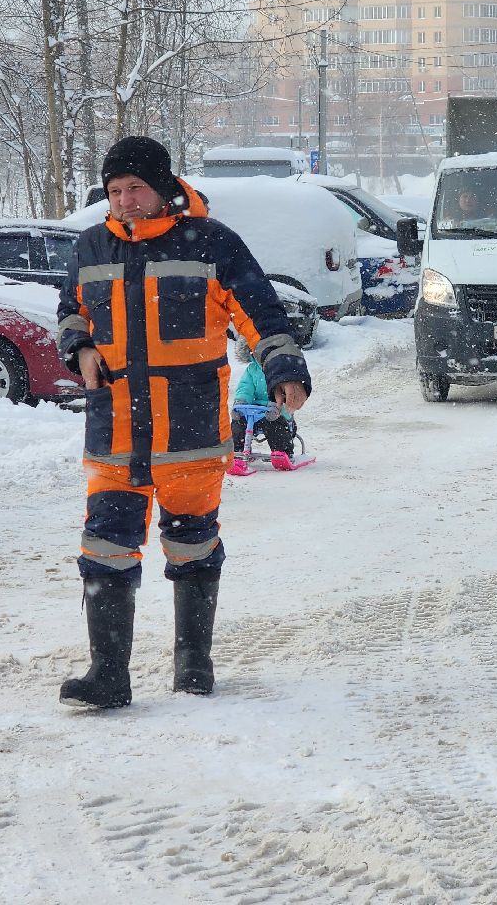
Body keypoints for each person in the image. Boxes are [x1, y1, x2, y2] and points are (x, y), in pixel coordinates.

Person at [56, 135, 310, 710]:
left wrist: (282, 368)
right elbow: (69, 308)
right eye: (115, 190)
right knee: (105, 547)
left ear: (164, 186)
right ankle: (108, 674)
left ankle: (194, 661)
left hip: (188, 428)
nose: (124, 200)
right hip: (115, 428)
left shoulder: (212, 243)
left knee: (192, 544)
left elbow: (259, 312)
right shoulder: (92, 246)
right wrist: (79, 349)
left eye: (135, 188)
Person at [228, 334, 302, 473]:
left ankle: (283, 452)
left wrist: (276, 405)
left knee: (276, 427)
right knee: (238, 424)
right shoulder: (252, 370)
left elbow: (284, 392)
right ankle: (237, 451)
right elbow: (245, 387)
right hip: (253, 411)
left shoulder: (280, 369)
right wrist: (241, 402)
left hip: (275, 411)